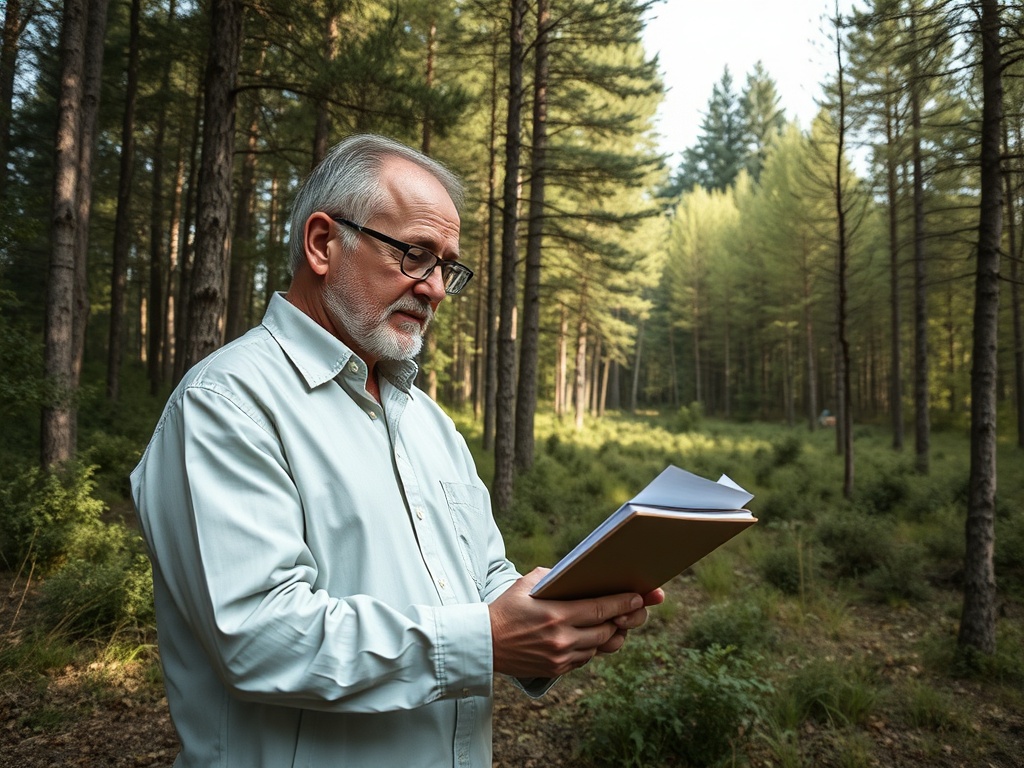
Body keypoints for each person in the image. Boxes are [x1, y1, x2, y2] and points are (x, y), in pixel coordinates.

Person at [131, 133, 662, 767]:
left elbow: (481, 577)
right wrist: (487, 640)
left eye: (447, 267)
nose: (434, 288)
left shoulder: (428, 422)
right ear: (323, 243)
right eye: (415, 254)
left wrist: (556, 616)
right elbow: (260, 638)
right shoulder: (227, 403)